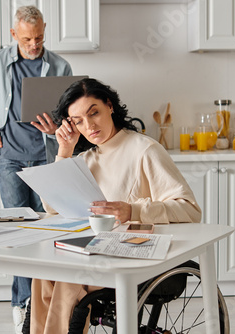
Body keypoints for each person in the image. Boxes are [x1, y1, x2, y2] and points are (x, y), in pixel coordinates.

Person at [29, 78, 202, 334]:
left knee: (68, 279)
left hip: (135, 251)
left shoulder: (144, 149)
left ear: (109, 106)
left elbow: (189, 209)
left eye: (94, 113)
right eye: (78, 121)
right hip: (95, 250)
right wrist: (64, 152)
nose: (89, 126)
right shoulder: (86, 158)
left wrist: (133, 210)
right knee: (42, 273)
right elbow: (53, 208)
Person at [0, 5, 73, 333]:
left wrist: (57, 126)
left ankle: (49, 304)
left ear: (45, 30)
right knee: (20, 233)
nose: (34, 44)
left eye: (39, 37)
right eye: (27, 39)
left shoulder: (60, 65)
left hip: (46, 157)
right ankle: (21, 304)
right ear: (14, 35)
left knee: (50, 232)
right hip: (9, 158)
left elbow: (69, 113)